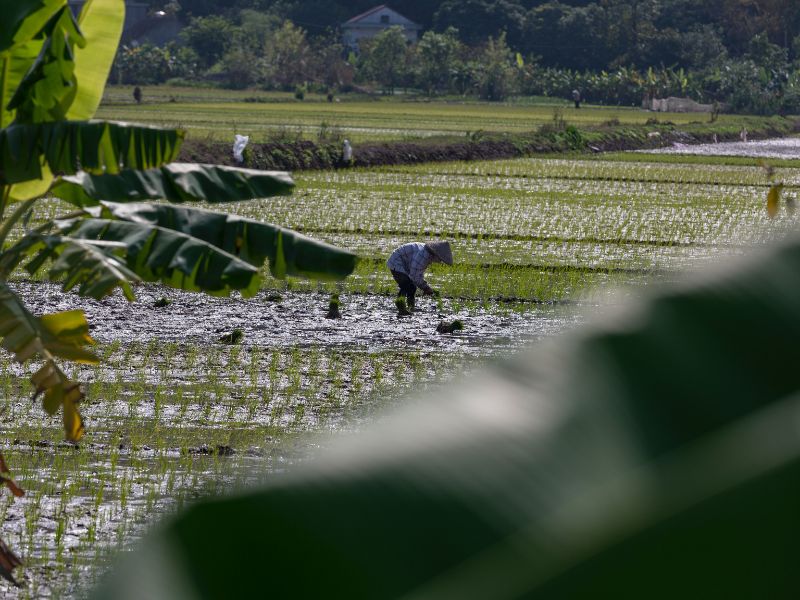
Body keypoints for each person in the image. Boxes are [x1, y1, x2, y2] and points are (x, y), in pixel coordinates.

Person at [387, 241, 453, 309]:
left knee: (409, 286)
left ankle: (408, 306)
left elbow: (418, 272)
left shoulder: (428, 254)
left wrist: (424, 286)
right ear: (436, 255)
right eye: (440, 259)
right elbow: (414, 275)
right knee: (409, 286)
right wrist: (425, 288)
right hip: (396, 262)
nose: (440, 261)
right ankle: (402, 305)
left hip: (404, 263)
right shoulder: (423, 256)